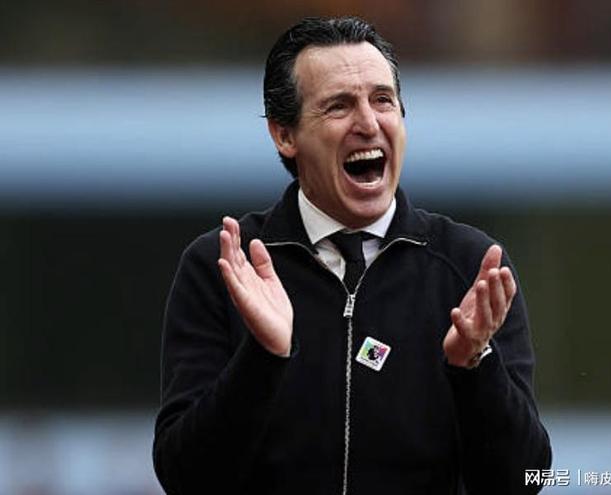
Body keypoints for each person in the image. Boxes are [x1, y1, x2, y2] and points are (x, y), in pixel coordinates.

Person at [153, 16, 551, 495]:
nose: (368, 123)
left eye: (383, 100)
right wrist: (263, 357)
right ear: (285, 135)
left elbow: (525, 481)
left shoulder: (471, 267)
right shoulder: (224, 268)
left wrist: (474, 367)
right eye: (338, 106)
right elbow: (186, 479)